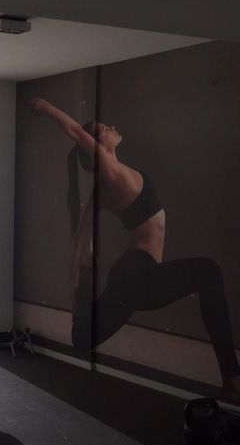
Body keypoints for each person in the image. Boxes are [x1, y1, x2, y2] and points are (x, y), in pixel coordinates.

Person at [28, 97, 240, 403]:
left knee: (81, 339)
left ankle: (231, 376)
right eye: (104, 129)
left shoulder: (105, 186)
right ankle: (232, 377)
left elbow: (82, 241)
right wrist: (47, 108)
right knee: (209, 272)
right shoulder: (112, 173)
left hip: (136, 276)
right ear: (97, 146)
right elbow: (75, 131)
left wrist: (74, 281)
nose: (112, 128)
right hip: (139, 276)